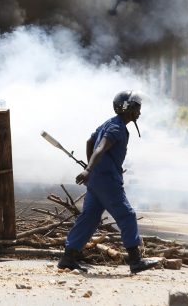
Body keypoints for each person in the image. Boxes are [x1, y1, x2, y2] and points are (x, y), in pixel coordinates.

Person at [57, 90, 160, 274]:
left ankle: (68, 258)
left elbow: (90, 141)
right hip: (107, 181)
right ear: (127, 108)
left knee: (89, 217)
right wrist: (89, 169)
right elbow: (101, 147)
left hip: (97, 180)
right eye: (137, 107)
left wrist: (91, 169)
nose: (140, 112)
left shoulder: (110, 123)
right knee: (127, 215)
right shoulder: (117, 128)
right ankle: (136, 261)